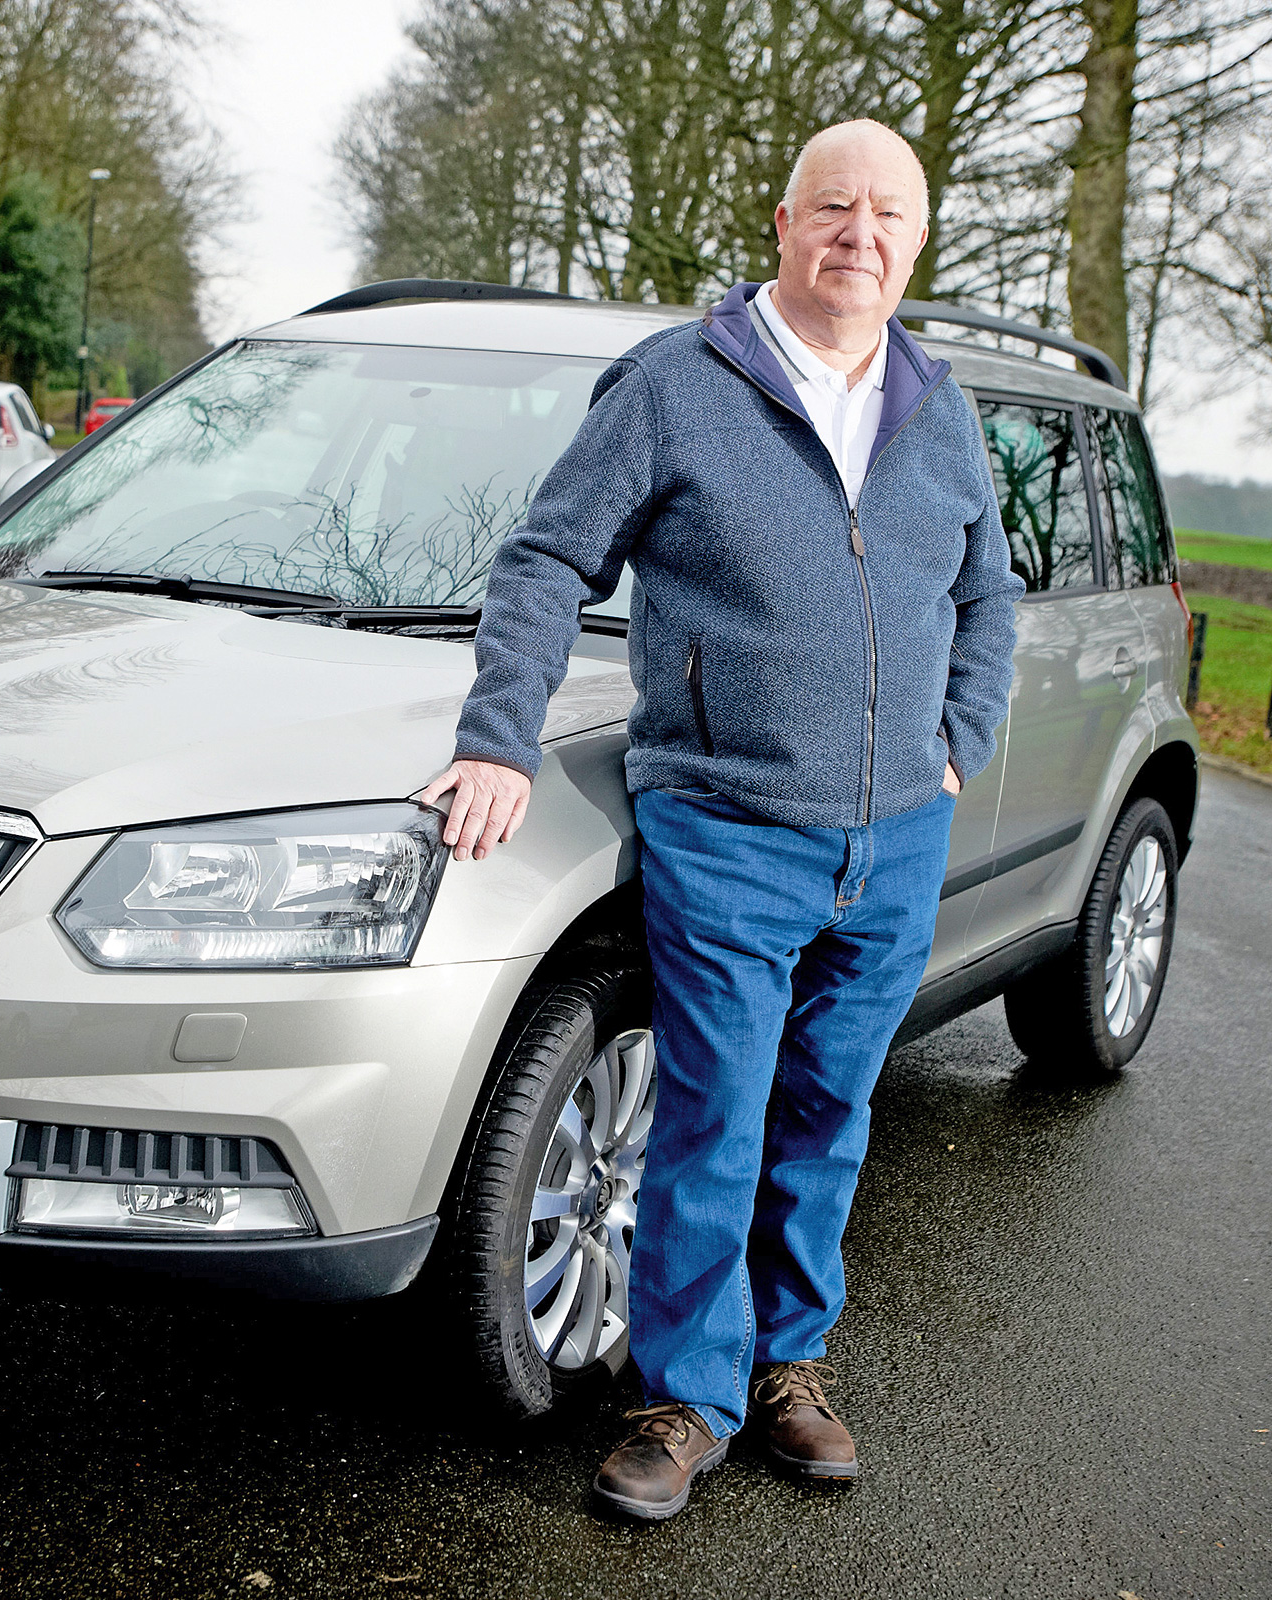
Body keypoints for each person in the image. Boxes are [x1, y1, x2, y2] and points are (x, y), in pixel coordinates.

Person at [417, 118, 1024, 1521]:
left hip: (893, 838)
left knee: (831, 1111)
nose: (857, 235)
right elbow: (548, 556)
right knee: (716, 1114)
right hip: (729, 824)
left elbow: (987, 594)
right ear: (782, 221)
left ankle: (790, 1369)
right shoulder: (679, 385)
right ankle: (686, 1398)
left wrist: (960, 740)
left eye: (886, 215)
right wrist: (498, 736)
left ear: (917, 242)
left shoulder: (944, 410)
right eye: (832, 208)